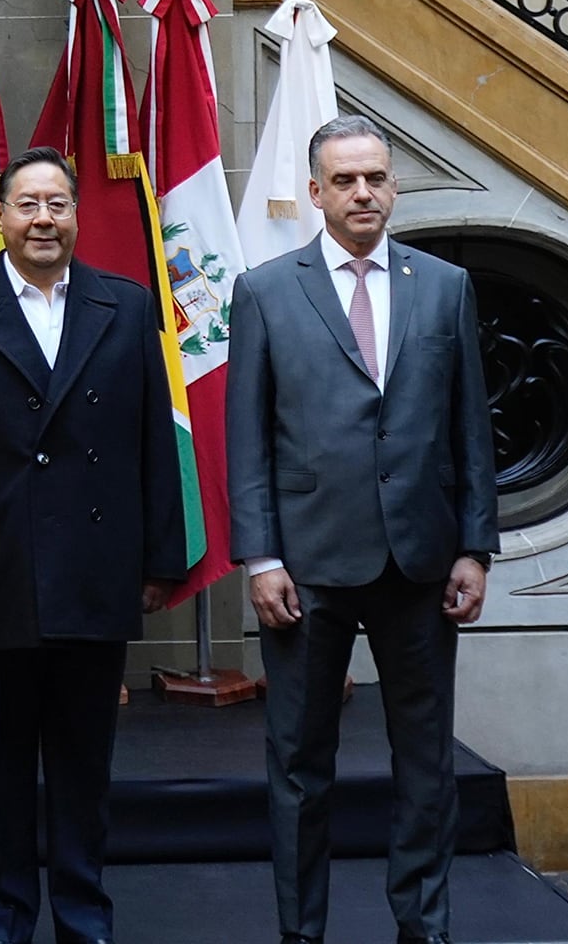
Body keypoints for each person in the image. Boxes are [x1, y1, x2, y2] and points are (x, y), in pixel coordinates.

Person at [226, 115, 497, 944]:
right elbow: (248, 435)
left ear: (394, 184)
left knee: (425, 763)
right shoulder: (267, 290)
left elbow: (469, 431)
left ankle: (423, 924)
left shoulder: (443, 286)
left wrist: (474, 546)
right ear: (315, 192)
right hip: (306, 567)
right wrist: (261, 555)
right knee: (300, 769)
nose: (363, 193)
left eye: (375, 177)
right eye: (344, 181)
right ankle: (301, 930)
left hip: (421, 563)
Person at [0, 146, 185, 944]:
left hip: (96, 576)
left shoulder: (125, 306)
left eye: (57, 204)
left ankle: (84, 920)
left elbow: (151, 442)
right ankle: (5, 926)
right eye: (26, 204)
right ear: (0, 217)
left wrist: (162, 558)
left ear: (76, 214)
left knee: (83, 772)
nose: (42, 219)